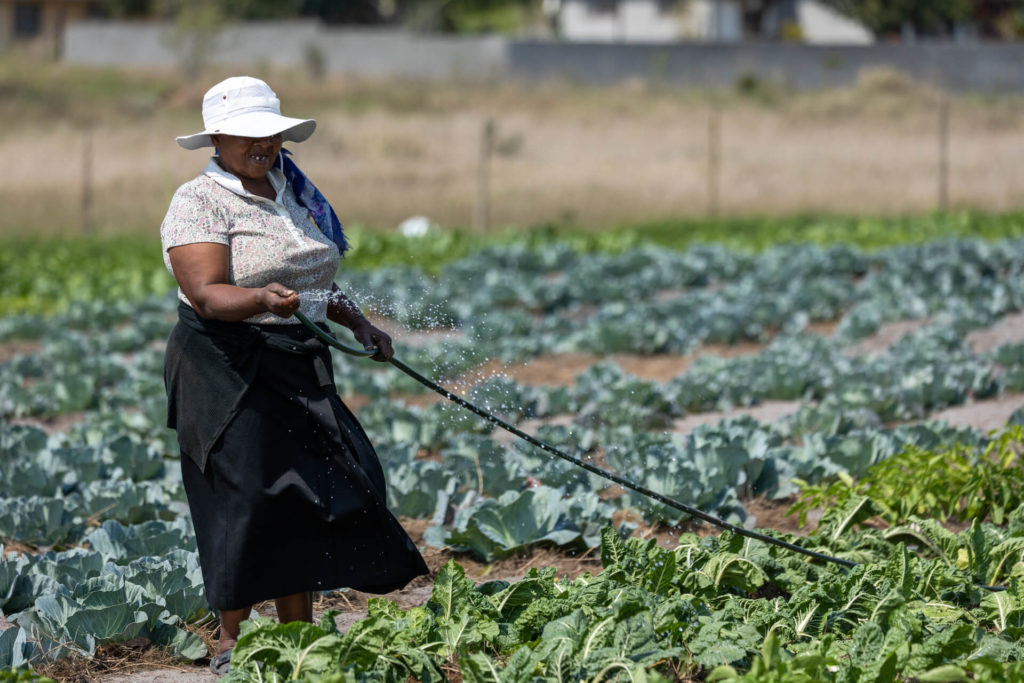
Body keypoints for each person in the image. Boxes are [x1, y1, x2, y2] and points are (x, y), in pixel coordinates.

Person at [160, 76, 428, 676]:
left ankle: (299, 642)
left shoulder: (293, 190)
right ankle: (232, 643)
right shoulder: (197, 201)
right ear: (218, 139)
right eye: (247, 137)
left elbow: (313, 277)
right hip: (224, 366)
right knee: (245, 498)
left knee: (311, 492)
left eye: (270, 135)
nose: (262, 146)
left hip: (295, 356)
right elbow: (206, 294)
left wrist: (361, 324)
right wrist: (260, 300)